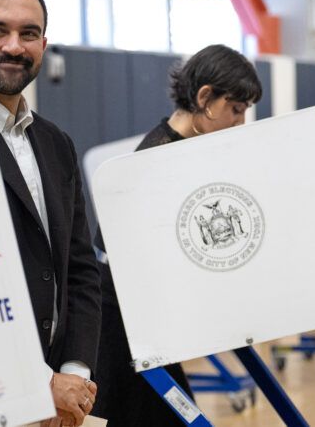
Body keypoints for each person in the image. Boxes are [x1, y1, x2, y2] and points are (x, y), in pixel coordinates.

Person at [0, 0, 102, 426]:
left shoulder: (56, 143)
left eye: (29, 33)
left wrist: (73, 375)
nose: (14, 46)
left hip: (58, 402)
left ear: (44, 44)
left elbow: (79, 268)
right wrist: (38, 382)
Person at [91, 44, 263, 426]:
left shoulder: (187, 151)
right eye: (235, 109)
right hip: (121, 321)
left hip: (144, 318)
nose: (240, 122)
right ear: (205, 98)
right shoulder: (157, 157)